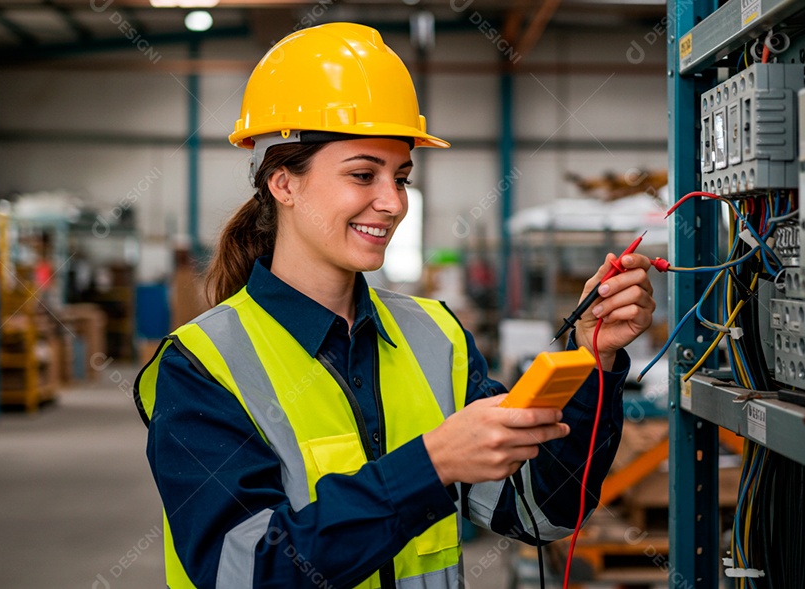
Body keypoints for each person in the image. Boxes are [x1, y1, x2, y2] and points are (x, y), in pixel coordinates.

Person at [135, 22, 656, 589]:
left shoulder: (436, 337)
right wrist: (431, 465)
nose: (393, 203)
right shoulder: (202, 367)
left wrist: (592, 358)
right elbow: (245, 572)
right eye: (363, 174)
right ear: (283, 184)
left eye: (401, 178)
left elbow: (540, 512)